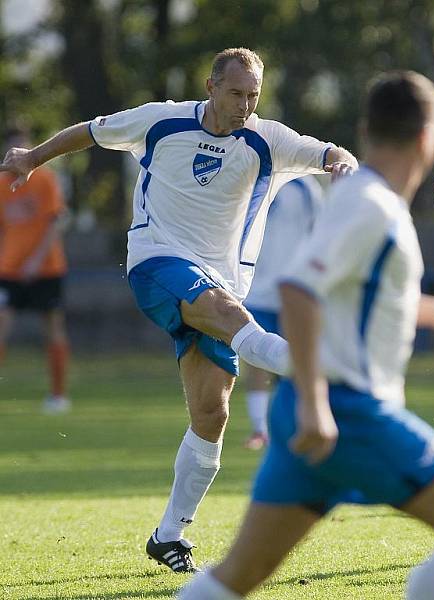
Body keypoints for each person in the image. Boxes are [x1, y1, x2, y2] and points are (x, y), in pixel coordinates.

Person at [0, 47, 358, 572]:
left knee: (212, 414)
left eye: (253, 95)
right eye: (236, 93)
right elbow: (90, 131)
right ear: (211, 86)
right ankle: (329, 372)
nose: (244, 104)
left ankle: (168, 535)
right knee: (236, 320)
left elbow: (329, 153)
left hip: (222, 280)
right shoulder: (161, 120)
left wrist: (342, 165)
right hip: (155, 261)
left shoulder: (268, 139)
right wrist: (33, 158)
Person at [177, 70, 434, 600]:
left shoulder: (370, 202)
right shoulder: (368, 203)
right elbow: (300, 292)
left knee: (237, 577)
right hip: (349, 415)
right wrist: (316, 404)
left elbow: (359, 294)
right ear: (428, 136)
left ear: (366, 128)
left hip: (314, 411)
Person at [241, 175, 323, 450]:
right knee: (253, 362)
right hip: (254, 290)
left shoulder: (305, 187)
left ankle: (300, 423)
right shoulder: (251, 178)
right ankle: (260, 429)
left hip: (293, 292)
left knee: (298, 361)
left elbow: (319, 232)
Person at [0, 126, 71, 414]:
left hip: (47, 269)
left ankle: (58, 395)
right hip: (9, 270)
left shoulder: (44, 179)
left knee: (53, 329)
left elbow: (55, 222)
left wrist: (35, 260)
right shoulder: (2, 184)